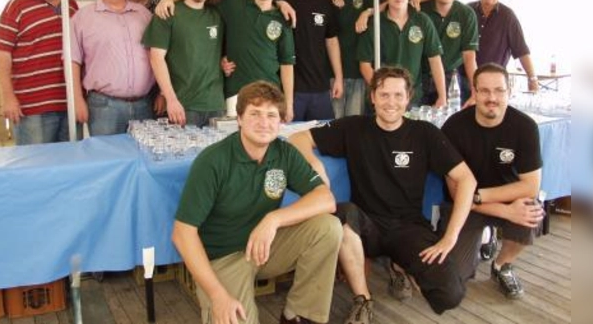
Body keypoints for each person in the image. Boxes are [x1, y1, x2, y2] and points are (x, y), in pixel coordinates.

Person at [289, 67, 477, 320]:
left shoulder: (425, 133)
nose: (391, 102)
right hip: (367, 224)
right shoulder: (354, 127)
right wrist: (314, 163)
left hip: (409, 227)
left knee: (449, 294)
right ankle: (363, 299)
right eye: (384, 94)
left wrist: (450, 238)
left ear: (408, 97)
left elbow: (466, 179)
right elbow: (299, 138)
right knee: (340, 214)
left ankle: (400, 265)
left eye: (398, 95)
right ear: (373, 97)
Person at [173, 81, 342, 324]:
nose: (264, 122)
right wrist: (217, 295)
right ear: (239, 118)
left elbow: (326, 199)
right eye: (255, 113)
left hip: (264, 247)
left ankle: (300, 316)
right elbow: (182, 234)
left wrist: (273, 219)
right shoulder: (213, 161)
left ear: (281, 121)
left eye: (271, 115)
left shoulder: (283, 152)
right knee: (233, 316)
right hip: (223, 257)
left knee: (328, 228)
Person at [441, 63, 544, 299]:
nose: (492, 98)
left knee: (530, 210)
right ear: (474, 92)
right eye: (484, 91)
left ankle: (501, 265)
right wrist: (504, 212)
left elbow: (530, 186)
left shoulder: (525, 127)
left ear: (509, 91)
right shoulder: (454, 127)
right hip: (464, 207)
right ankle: (483, 238)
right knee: (454, 279)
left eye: (499, 90)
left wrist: (481, 196)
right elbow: (457, 194)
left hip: (495, 197)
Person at [156, 0, 297, 121]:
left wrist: (289, 105)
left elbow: (287, 64)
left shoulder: (283, 17)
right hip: (236, 95)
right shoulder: (232, 2)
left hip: (271, 94)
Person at [0, 0, 78, 145]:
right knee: (35, 168)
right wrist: (7, 97)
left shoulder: (71, 5)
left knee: (69, 167)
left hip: (68, 103)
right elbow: (1, 53)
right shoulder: (17, 5)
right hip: (31, 107)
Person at [70, 0, 155, 135]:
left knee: (143, 159)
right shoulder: (82, 17)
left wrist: (161, 93)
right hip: (104, 108)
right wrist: (77, 99)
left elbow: (158, 56)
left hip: (144, 105)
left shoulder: (145, 16)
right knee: (105, 157)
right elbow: (73, 61)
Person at [142, 0, 225, 127]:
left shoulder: (217, 15)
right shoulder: (167, 12)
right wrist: (170, 99)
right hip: (182, 106)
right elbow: (156, 58)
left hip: (216, 105)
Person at [356, 0, 446, 107]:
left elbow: (434, 59)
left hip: (412, 97)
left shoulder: (422, 20)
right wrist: (382, 90)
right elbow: (365, 65)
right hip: (382, 98)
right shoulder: (375, 23)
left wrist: (443, 96)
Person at [274, 0, 342, 121]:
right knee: (290, 142)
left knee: (323, 142)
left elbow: (332, 41)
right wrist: (278, 2)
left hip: (320, 87)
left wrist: (338, 77)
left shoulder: (324, 2)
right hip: (289, 90)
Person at [315, 0, 374, 118]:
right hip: (331, 69)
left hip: (357, 67)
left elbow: (383, 5)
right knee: (335, 121)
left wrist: (367, 12)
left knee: (355, 121)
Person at [413, 0, 479, 107]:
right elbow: (393, 1)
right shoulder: (419, 8)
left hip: (451, 79)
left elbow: (469, 57)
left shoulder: (466, 14)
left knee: (448, 123)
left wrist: (476, 91)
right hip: (419, 77)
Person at [468, 0, 538, 92]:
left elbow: (521, 50)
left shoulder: (508, 16)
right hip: (467, 80)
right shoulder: (467, 11)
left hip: (494, 81)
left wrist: (532, 78)